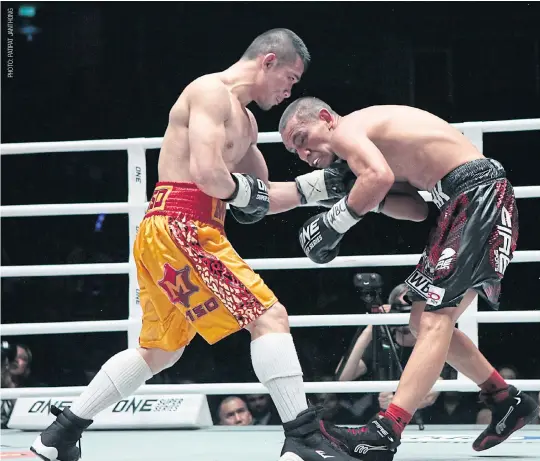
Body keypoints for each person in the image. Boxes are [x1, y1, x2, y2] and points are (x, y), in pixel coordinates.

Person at [29, 29, 359, 461]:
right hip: (181, 224)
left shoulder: (246, 122)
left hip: (179, 231)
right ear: (269, 60)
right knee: (269, 317)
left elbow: (258, 199)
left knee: (160, 351)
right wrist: (248, 194)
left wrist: (326, 186)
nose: (289, 90)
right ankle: (301, 436)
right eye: (290, 78)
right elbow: (208, 176)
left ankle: (58, 435)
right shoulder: (208, 92)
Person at [277, 98, 539, 460]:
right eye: (295, 150)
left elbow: (378, 178)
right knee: (421, 322)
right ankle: (505, 400)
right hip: (455, 203)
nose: (304, 153)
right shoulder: (368, 152)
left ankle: (387, 430)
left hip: (478, 194)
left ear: (325, 118)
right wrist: (368, 197)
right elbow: (415, 210)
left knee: (435, 320)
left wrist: (334, 221)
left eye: (302, 138)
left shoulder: (347, 129)